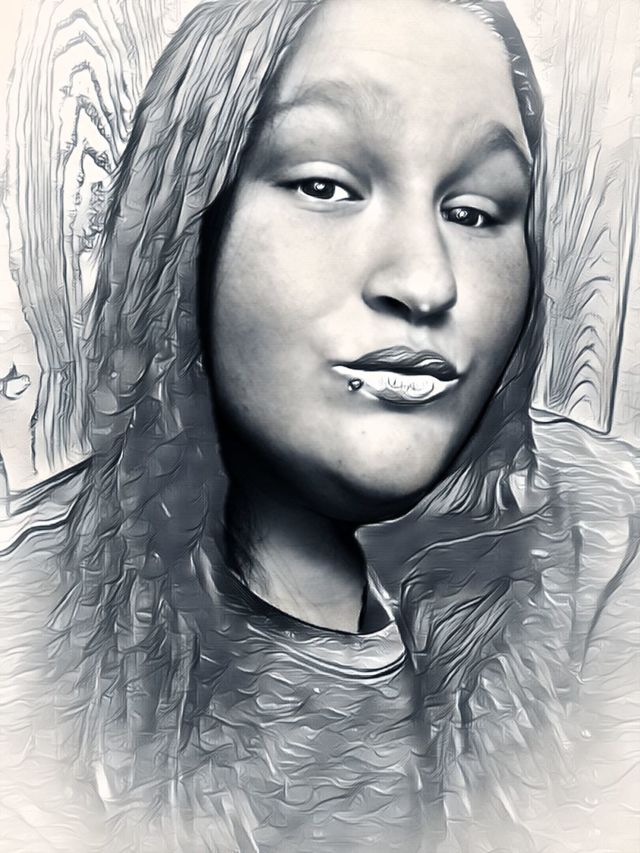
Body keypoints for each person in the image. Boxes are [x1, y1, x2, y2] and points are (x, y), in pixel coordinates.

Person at [54, 0, 558, 850]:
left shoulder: (608, 568)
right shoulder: (25, 645)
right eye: (325, 186)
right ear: (189, 222)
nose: (426, 282)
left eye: (474, 211)